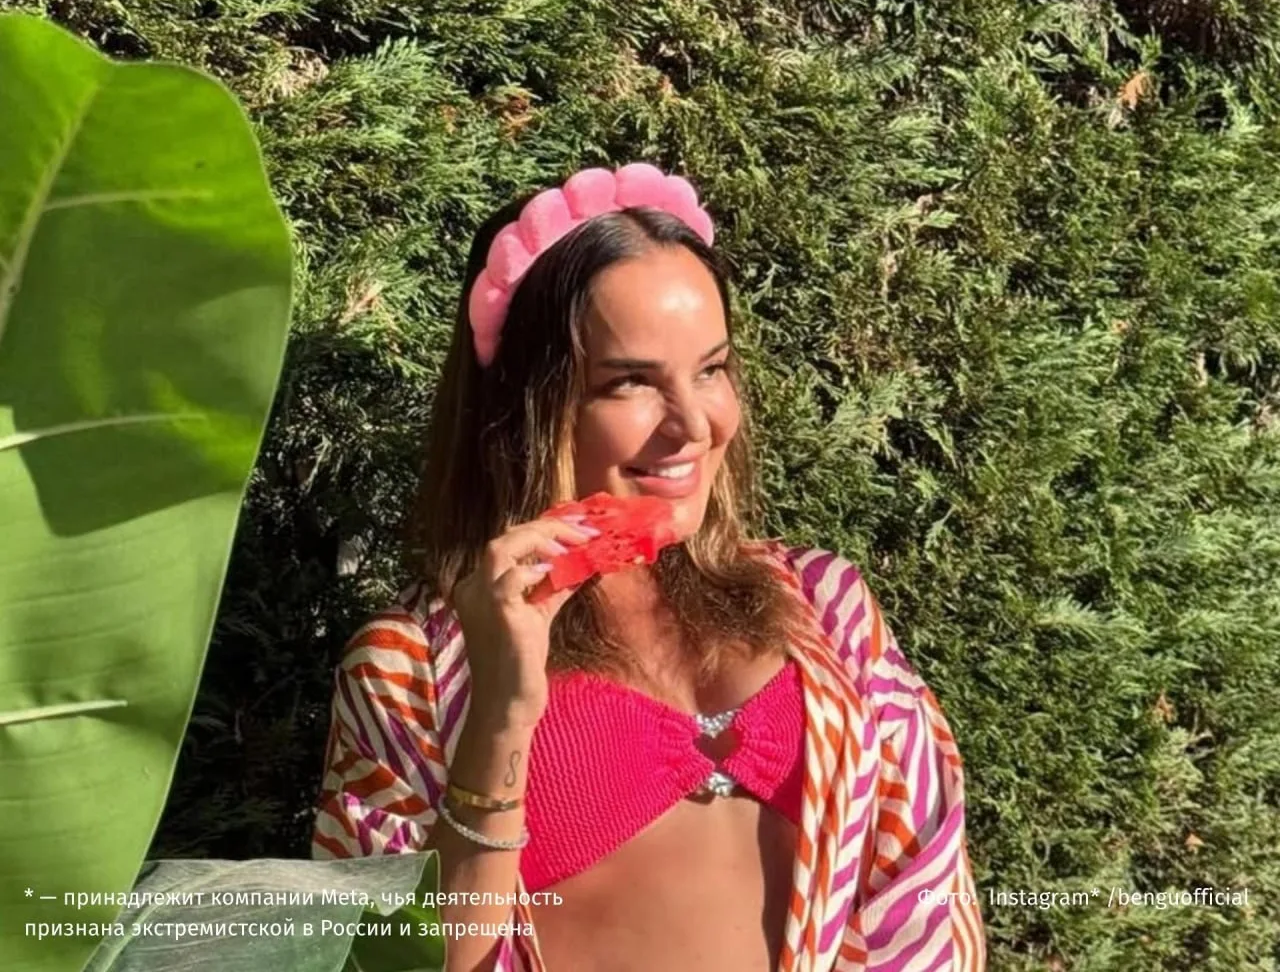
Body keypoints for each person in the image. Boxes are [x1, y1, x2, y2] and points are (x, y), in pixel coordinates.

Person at [311, 162, 987, 972]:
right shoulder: (410, 671)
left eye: (710, 369)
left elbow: (924, 893)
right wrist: (500, 715)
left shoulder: (823, 607)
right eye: (630, 383)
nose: (693, 424)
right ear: (529, 407)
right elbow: (392, 959)